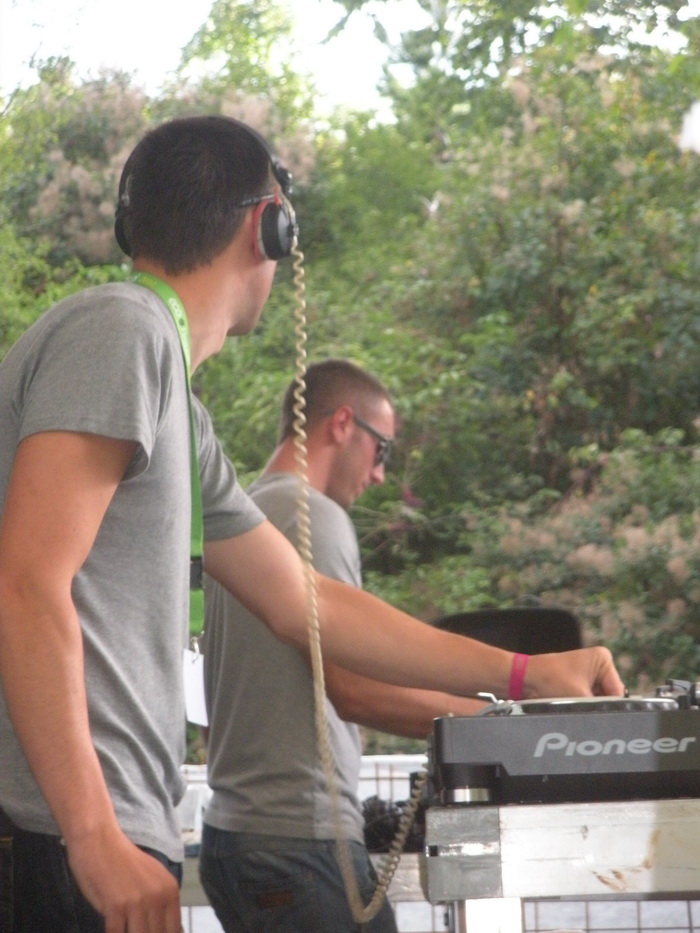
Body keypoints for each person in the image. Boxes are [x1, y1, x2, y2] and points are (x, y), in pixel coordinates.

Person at [0, 114, 624, 933]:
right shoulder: (125, 331)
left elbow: (307, 604)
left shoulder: (175, 406)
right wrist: (92, 834)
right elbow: (26, 580)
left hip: (96, 836)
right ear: (270, 225)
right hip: (61, 837)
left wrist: (523, 676)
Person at [199, 359, 488, 933]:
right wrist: (497, 721)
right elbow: (356, 691)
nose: (380, 475)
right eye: (382, 450)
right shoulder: (312, 517)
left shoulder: (241, 520)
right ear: (342, 424)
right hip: (298, 842)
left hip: (234, 836)